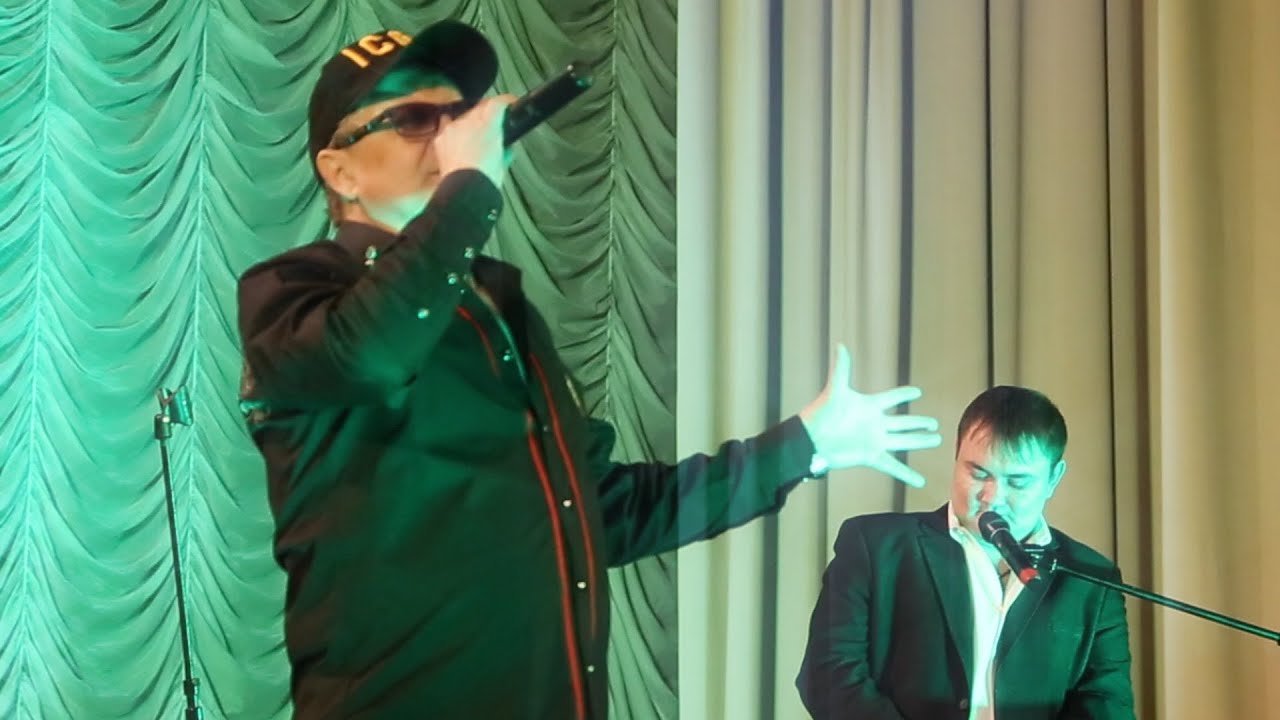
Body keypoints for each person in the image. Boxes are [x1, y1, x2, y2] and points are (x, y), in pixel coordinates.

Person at [236, 19, 942, 720]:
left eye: (458, 115)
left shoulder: (502, 311)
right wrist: (469, 187)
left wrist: (802, 447)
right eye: (417, 119)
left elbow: (599, 510)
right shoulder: (293, 292)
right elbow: (369, 355)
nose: (450, 135)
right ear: (341, 170)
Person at [795, 385, 1135, 719]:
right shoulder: (875, 545)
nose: (992, 497)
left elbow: (1107, 703)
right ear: (956, 457)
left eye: (1017, 482)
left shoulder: (1092, 578)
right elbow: (827, 676)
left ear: (1053, 479)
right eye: (978, 473)